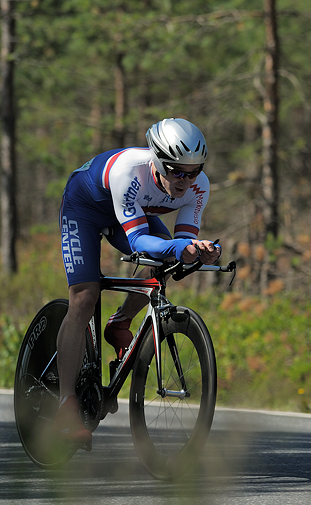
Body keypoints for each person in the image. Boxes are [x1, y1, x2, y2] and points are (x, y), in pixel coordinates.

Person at [55, 117, 222, 444]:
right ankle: (65, 402)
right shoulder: (129, 171)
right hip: (85, 208)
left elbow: (181, 240)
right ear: (159, 162)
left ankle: (120, 323)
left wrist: (200, 251)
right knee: (84, 298)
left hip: (130, 212)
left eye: (194, 170)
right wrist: (177, 247)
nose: (186, 180)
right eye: (176, 171)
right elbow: (138, 242)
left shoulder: (199, 185)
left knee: (163, 262)